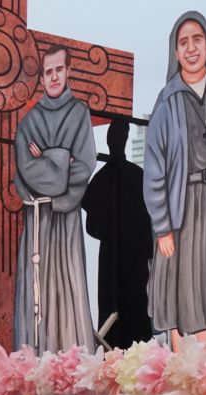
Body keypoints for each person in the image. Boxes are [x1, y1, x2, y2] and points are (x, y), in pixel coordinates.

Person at [144, 11, 206, 350]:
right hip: (182, 203)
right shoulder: (167, 100)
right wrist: (162, 226)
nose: (191, 48)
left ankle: (205, 366)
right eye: (183, 42)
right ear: (175, 52)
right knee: (180, 289)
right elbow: (154, 166)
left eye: (197, 40)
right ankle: (180, 368)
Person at [13, 45, 97, 354]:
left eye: (59, 70)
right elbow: (24, 172)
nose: (54, 77)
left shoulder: (79, 114)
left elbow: (85, 165)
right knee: (37, 294)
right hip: (37, 221)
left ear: (68, 71)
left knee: (67, 287)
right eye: (48, 72)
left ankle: (71, 364)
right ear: (41, 78)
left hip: (65, 218)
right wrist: (62, 159)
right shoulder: (29, 122)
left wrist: (49, 159)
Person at [82, 121, 153, 349]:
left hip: (113, 256)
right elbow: (148, 219)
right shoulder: (138, 175)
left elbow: (92, 223)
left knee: (114, 303)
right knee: (134, 305)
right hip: (133, 256)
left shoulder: (100, 178)